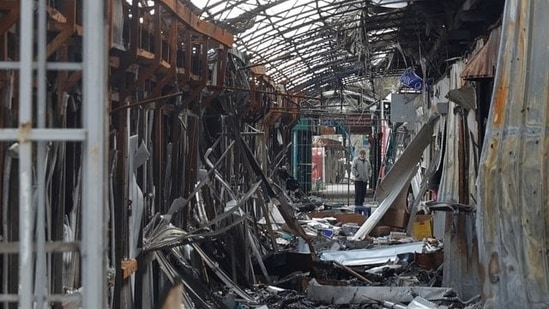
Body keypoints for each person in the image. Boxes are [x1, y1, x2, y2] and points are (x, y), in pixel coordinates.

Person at [351, 149, 372, 216]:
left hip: (364, 180)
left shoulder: (367, 161)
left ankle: (361, 207)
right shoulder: (356, 160)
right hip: (358, 180)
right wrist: (357, 174)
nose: (362, 155)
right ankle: (357, 209)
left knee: (363, 194)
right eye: (361, 154)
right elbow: (353, 168)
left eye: (363, 154)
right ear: (359, 154)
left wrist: (369, 176)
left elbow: (370, 169)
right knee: (358, 194)